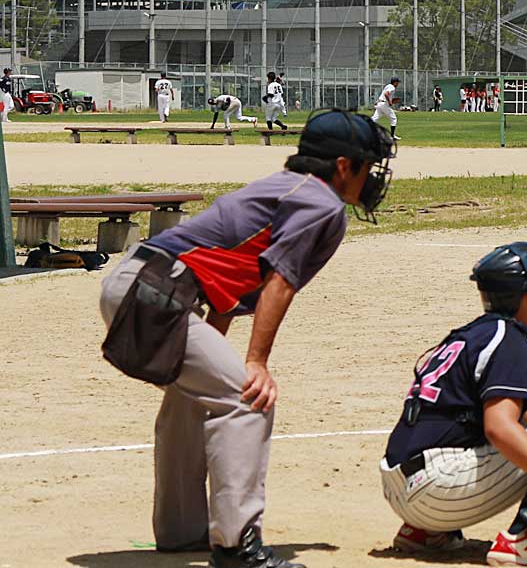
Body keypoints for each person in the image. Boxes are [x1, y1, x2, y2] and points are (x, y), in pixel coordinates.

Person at [96, 110, 394, 568]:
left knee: (195, 398)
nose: (371, 177)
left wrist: (219, 352)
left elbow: (225, 286)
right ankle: (236, 546)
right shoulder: (321, 203)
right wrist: (255, 362)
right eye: (367, 165)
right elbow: (281, 280)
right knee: (247, 397)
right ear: (341, 166)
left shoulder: (283, 187)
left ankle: (180, 532)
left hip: (144, 284)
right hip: (158, 292)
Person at [379, 239, 527, 567]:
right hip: (437, 487)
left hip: (404, 488)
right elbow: (500, 427)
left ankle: (426, 533)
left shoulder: (476, 333)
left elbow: (506, 406)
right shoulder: (512, 342)